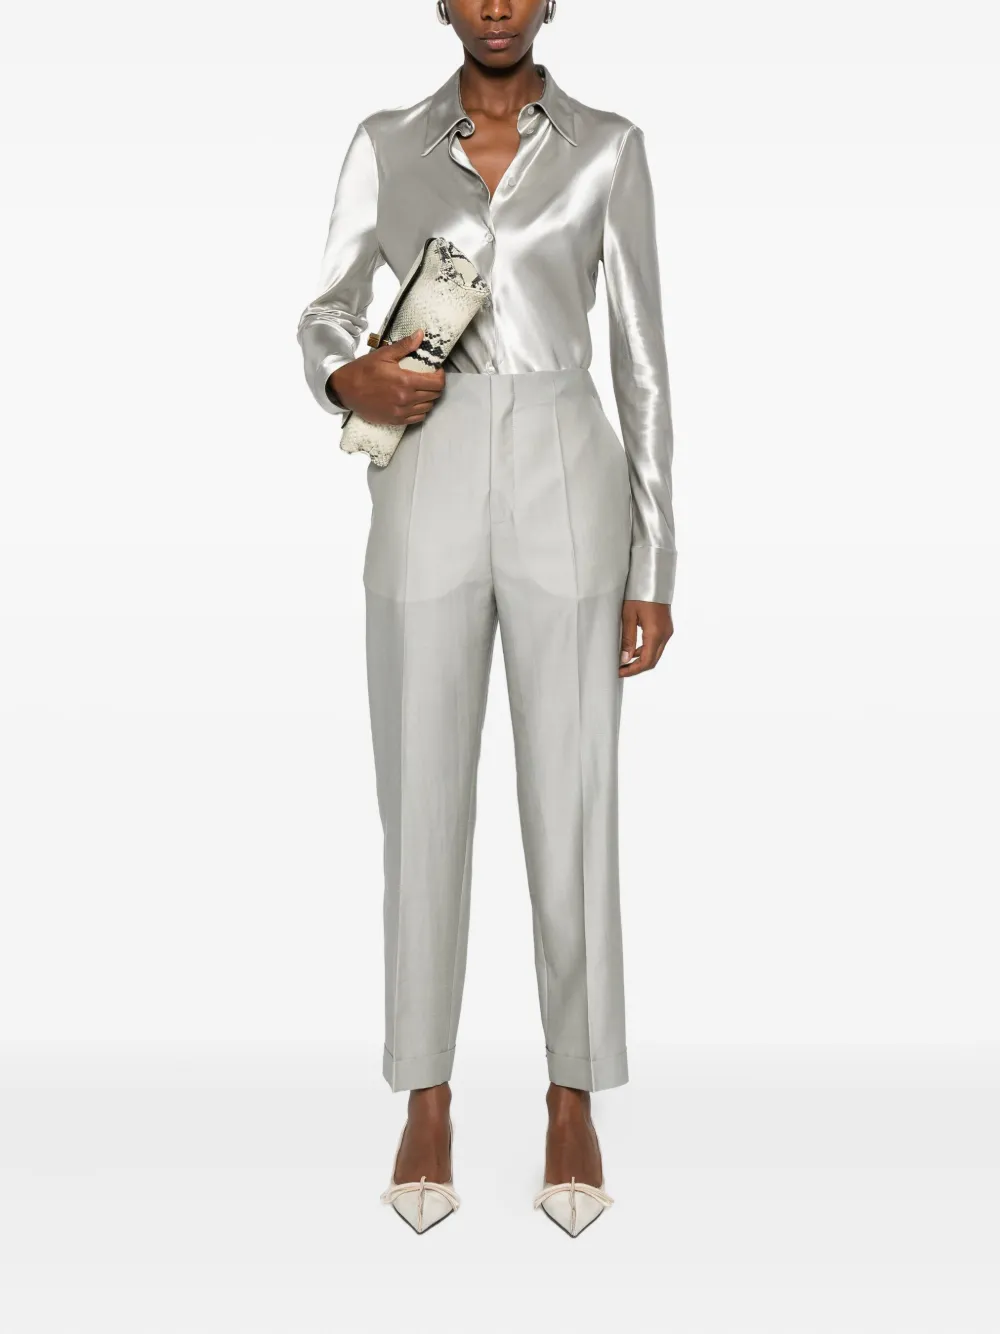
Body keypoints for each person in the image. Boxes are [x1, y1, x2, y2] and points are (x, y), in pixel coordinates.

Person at [295, 0, 676, 1237]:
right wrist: (344, 373)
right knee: (420, 797)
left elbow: (642, 362)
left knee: (573, 799)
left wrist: (656, 556)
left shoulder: (608, 147)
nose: (497, 4)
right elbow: (327, 307)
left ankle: (573, 1095)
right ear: (445, 4)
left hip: (566, 459)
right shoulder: (386, 143)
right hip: (428, 463)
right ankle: (426, 1095)